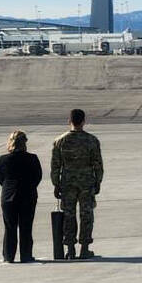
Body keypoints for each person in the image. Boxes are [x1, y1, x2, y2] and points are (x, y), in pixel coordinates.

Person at [50, 108, 104, 260]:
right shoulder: (92, 140)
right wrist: (98, 181)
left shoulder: (60, 141)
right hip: (86, 183)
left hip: (68, 183)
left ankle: (71, 249)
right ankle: (85, 248)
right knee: (86, 214)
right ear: (83, 121)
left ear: (70, 121)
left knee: (69, 215)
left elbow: (55, 166)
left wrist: (56, 184)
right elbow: (97, 164)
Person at [0, 130, 42, 263]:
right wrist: (30, 187)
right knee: (26, 226)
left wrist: (7, 187)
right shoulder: (32, 158)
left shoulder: (4, 159)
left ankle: (9, 255)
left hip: (8, 196)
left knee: (10, 227)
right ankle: (26, 255)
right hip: (27, 195)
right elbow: (37, 176)